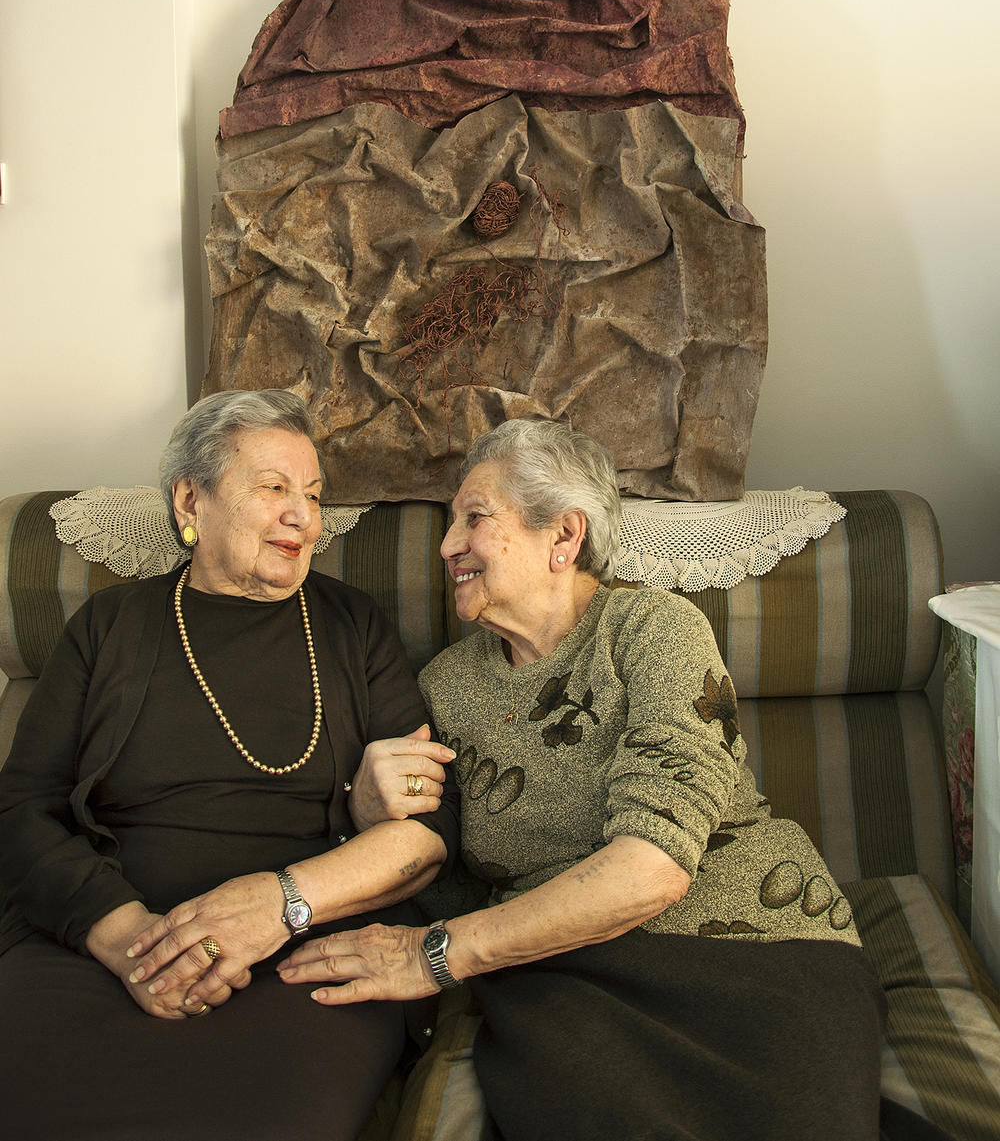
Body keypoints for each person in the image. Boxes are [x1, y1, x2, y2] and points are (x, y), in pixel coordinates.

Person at [276, 417, 905, 1141]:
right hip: (563, 976)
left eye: (474, 518)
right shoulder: (444, 687)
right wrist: (366, 806)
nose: (448, 545)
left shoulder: (653, 630)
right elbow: (440, 872)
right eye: (452, 523)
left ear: (564, 536)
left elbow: (654, 869)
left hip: (755, 955)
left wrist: (435, 956)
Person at [0, 390, 457, 1141]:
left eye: (312, 495)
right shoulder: (110, 626)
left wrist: (281, 902)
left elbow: (429, 835)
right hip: (100, 942)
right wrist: (127, 939)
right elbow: (21, 808)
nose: (303, 517)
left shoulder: (353, 628)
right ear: (192, 498)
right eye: (274, 487)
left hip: (302, 957)